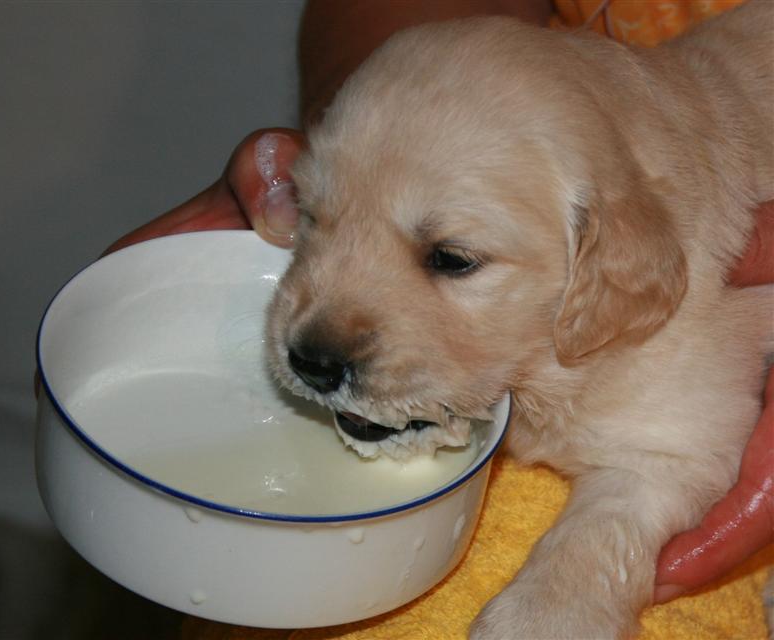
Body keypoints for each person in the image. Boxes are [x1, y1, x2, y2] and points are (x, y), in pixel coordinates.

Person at [106, 0, 773, 606]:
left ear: (610, 257)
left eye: (450, 259)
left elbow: (671, 463)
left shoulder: (658, 267)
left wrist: (578, 584)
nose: (319, 335)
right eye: (316, 207)